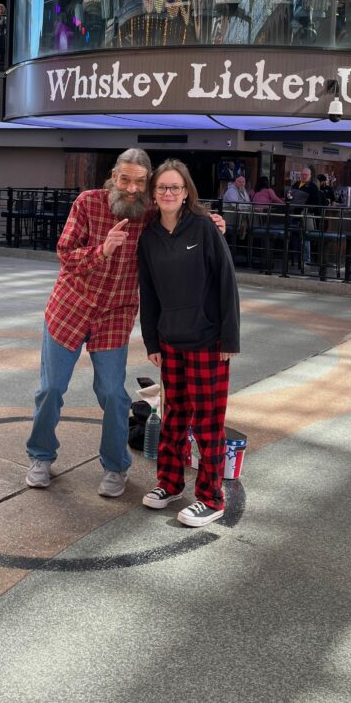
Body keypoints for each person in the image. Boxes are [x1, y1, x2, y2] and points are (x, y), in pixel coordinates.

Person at [25, 149, 225, 498]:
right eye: (125, 179)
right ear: (113, 176)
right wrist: (101, 250)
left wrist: (213, 222)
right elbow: (64, 253)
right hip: (69, 309)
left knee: (113, 395)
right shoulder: (88, 203)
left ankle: (116, 466)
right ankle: (41, 456)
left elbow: (181, 209)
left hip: (116, 314)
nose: (131, 188)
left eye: (139, 181)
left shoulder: (149, 212)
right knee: (51, 389)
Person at [138, 159, 240, 528]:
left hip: (208, 341)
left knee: (208, 422)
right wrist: (152, 340)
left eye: (175, 188)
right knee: (173, 418)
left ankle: (211, 498)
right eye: (162, 187)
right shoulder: (148, 236)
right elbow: (147, 292)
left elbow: (227, 282)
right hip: (170, 341)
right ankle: (170, 483)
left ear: (186, 194)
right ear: (154, 193)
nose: (168, 193)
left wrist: (229, 337)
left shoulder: (204, 228)